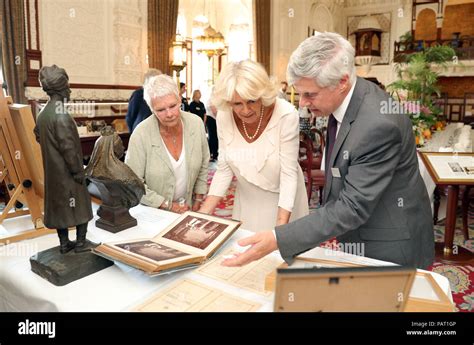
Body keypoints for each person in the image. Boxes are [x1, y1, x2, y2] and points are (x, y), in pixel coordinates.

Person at [222, 32, 434, 269]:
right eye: (299, 93)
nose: (302, 103)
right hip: (359, 234)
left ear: (342, 82)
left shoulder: (378, 124)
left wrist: (278, 238)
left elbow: (353, 206)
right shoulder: (344, 100)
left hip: (389, 245)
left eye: (309, 94)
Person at [199, 60, 309, 232]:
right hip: (247, 199)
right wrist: (203, 214)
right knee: (245, 251)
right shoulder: (224, 116)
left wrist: (280, 230)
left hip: (284, 202)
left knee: (280, 256)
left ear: (262, 95)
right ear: (229, 102)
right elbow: (224, 168)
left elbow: (289, 174)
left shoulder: (286, 115)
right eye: (237, 104)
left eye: (251, 101)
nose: (245, 110)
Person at [125, 74, 210, 213]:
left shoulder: (196, 123)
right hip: (153, 213)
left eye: (173, 106)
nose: (169, 114)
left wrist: (199, 198)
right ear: (151, 109)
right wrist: (166, 204)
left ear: (179, 99)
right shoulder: (141, 134)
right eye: (160, 110)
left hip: (188, 208)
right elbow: (132, 184)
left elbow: (204, 163)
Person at [34, 65, 95, 254]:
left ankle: (64, 243)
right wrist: (79, 172)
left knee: (59, 207)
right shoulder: (61, 115)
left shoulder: (43, 113)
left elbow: (37, 135)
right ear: (60, 89)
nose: (69, 90)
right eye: (67, 86)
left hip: (53, 174)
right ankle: (81, 242)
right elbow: (69, 150)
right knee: (81, 206)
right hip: (68, 174)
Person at [125, 69, 162, 133]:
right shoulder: (139, 94)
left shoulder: (162, 94)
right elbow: (130, 116)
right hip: (141, 130)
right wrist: (132, 133)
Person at [205, 96, 219, 161]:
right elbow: (214, 111)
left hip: (213, 119)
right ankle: (213, 154)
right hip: (211, 119)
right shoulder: (212, 99)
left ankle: (213, 154)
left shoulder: (213, 99)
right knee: (213, 137)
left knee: (213, 137)